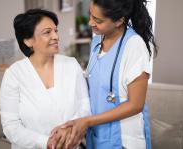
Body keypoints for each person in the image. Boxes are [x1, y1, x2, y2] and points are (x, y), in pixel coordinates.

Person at [52, 0, 158, 148]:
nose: (90, 23)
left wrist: (88, 121)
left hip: (124, 140)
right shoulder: (97, 40)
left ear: (119, 20)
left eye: (98, 20)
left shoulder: (134, 46)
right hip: (97, 136)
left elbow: (136, 104)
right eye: (91, 15)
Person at [0, 9, 91, 149]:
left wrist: (70, 130)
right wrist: (47, 142)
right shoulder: (14, 75)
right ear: (28, 41)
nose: (55, 36)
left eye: (56, 30)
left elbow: (85, 106)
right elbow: (11, 127)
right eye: (47, 32)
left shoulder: (71, 65)